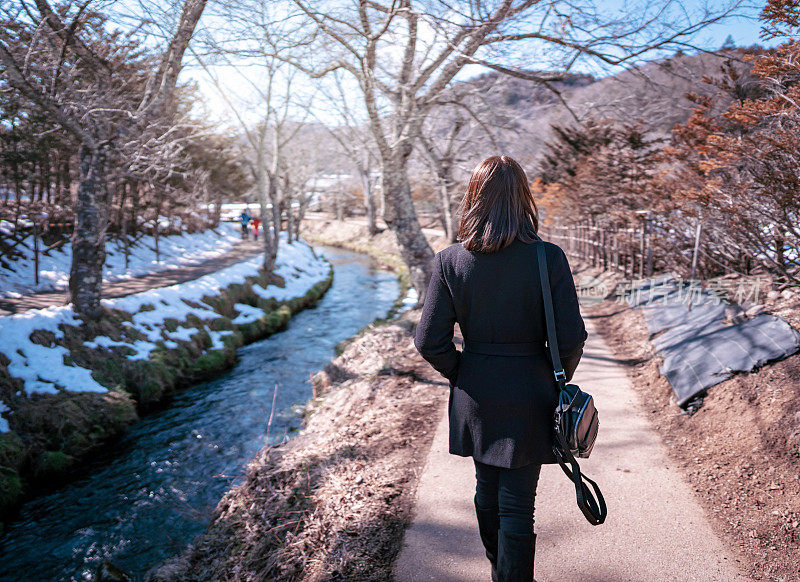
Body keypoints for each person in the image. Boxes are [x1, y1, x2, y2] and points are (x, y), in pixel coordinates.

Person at [414, 155, 587, 582]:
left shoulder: (450, 260)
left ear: (473, 199)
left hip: (476, 392)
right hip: (531, 390)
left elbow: (427, 341)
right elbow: (572, 338)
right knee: (517, 505)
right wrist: (555, 377)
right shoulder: (548, 258)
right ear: (522, 199)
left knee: (485, 492)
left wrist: (463, 372)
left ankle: (499, 570)